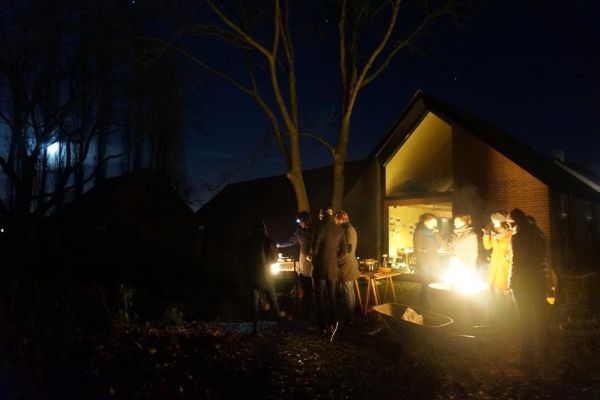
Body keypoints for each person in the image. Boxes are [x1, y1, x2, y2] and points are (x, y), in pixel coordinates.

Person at [507, 208, 549, 364]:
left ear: (515, 222)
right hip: (540, 279)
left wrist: (511, 281)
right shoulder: (539, 233)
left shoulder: (519, 237)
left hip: (524, 282)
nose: (508, 227)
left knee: (525, 318)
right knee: (540, 315)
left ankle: (527, 354)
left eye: (509, 223)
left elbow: (517, 261)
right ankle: (544, 349)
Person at [239, 219, 282, 334]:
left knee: (254, 304)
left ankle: (256, 329)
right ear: (264, 229)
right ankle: (280, 326)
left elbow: (241, 257)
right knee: (273, 301)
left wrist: (248, 266)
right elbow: (275, 259)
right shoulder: (268, 241)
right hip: (266, 276)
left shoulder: (246, 242)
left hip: (251, 276)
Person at [310, 208, 347, 334]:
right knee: (332, 296)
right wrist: (336, 260)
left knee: (319, 297)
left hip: (320, 268)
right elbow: (345, 250)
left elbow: (314, 249)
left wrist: (313, 260)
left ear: (322, 215)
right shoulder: (340, 229)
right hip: (333, 268)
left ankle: (322, 325)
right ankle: (333, 323)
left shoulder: (320, 227)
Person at [276, 211, 315, 318]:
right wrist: (278, 244)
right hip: (303, 265)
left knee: (313, 289)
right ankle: (307, 310)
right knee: (306, 288)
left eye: (301, 221)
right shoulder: (299, 232)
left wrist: (312, 255)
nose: (299, 224)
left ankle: (313, 311)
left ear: (306, 221)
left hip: (313, 264)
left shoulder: (315, 230)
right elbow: (290, 241)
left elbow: (318, 244)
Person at [482, 211, 513, 325]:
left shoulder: (509, 233)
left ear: (501, 221)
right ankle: (497, 318)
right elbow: (487, 246)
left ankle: (508, 318)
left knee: (504, 291)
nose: (492, 222)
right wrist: (486, 235)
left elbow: (511, 249)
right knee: (494, 291)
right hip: (494, 264)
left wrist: (508, 258)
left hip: (505, 265)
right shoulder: (493, 232)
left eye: (494, 220)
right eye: (492, 220)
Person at [334, 210, 360, 325]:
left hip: (347, 265)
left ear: (341, 219)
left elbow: (348, 250)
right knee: (348, 292)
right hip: (345, 265)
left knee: (348, 292)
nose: (335, 221)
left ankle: (351, 317)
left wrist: (336, 260)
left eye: (336, 219)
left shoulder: (349, 230)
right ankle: (349, 316)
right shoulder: (346, 229)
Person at [413, 213, 444, 281]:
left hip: (434, 260)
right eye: (433, 222)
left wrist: (437, 234)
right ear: (426, 222)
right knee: (427, 281)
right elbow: (418, 250)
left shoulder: (434, 232)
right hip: (425, 262)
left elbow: (440, 245)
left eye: (436, 222)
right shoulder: (419, 232)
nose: (435, 224)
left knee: (436, 281)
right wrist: (424, 265)